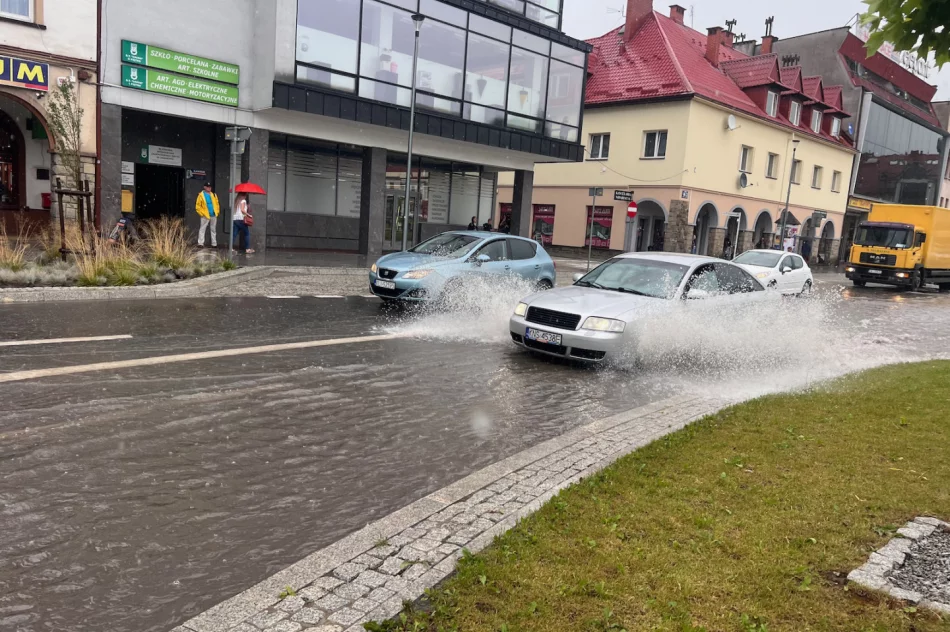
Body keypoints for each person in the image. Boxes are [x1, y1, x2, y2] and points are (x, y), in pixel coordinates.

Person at [196, 183, 220, 248]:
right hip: (205, 215)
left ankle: (214, 243)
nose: (209, 188)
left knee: (213, 229)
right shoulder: (201, 195)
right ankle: (200, 243)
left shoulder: (214, 195)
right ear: (205, 187)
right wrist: (202, 214)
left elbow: (217, 204)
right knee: (202, 229)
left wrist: (217, 212)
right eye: (208, 187)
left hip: (213, 215)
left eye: (210, 187)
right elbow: (198, 206)